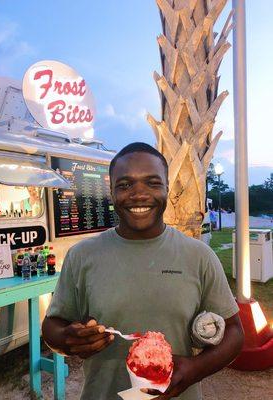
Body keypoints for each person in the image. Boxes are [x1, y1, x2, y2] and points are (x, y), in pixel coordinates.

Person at [42, 142, 244, 400]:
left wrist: (194, 369)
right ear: (111, 192)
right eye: (125, 185)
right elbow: (52, 325)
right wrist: (67, 339)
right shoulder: (82, 256)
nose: (138, 194)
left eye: (152, 183)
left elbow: (235, 332)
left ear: (167, 189)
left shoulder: (199, 256)